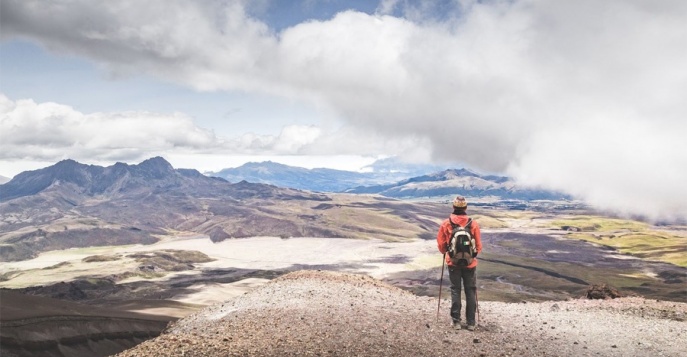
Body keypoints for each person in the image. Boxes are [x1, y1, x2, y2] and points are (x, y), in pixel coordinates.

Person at [437, 195, 482, 331]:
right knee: (470, 290)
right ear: (466, 208)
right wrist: (471, 256)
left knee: (455, 290)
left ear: (453, 207)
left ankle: (456, 321)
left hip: (453, 263)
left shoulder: (447, 223)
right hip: (470, 264)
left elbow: (441, 245)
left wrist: (448, 251)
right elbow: (478, 246)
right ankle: (471, 322)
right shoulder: (473, 224)